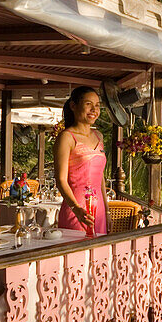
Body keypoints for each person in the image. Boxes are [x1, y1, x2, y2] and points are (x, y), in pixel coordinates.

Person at [54, 87, 107, 235]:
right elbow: (60, 180)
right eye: (88, 104)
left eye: (97, 105)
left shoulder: (99, 136)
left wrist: (107, 211)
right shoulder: (67, 137)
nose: (94, 109)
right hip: (77, 209)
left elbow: (100, 177)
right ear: (73, 106)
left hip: (100, 211)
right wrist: (76, 209)